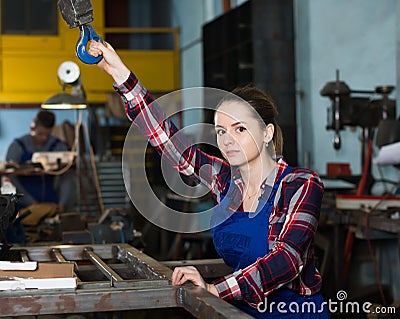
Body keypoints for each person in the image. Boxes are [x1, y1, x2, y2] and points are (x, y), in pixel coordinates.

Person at [88, 41, 330, 318]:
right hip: (239, 309)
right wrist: (121, 75)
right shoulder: (224, 180)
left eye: (239, 129)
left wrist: (216, 290)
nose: (227, 140)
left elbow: (288, 259)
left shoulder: (300, 184)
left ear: (266, 133)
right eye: (220, 131)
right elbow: (171, 144)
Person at [5, 110, 73, 242]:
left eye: (47, 134)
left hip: (51, 202)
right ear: (32, 128)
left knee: (52, 239)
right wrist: (30, 202)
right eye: (40, 134)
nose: (44, 138)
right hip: (23, 204)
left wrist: (62, 202)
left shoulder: (58, 146)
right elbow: (11, 179)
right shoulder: (17, 147)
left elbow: (66, 176)